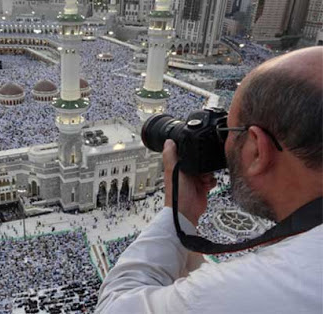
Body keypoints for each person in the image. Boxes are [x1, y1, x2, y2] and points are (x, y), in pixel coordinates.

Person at [95, 47, 323, 313]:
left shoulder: (269, 285)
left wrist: (178, 214)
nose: (224, 147)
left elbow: (115, 306)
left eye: (229, 131)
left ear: (257, 150)